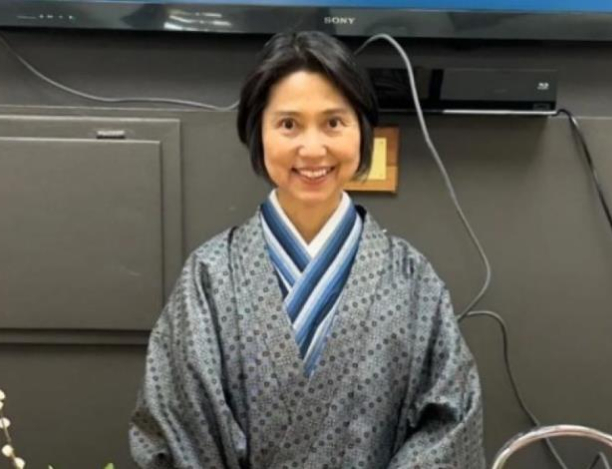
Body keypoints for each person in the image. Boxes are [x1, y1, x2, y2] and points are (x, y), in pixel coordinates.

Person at [129, 30, 484, 469]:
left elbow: (450, 423)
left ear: (362, 132)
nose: (313, 149)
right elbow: (174, 426)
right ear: (258, 132)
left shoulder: (412, 280)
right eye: (288, 124)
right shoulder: (210, 276)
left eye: (333, 123)